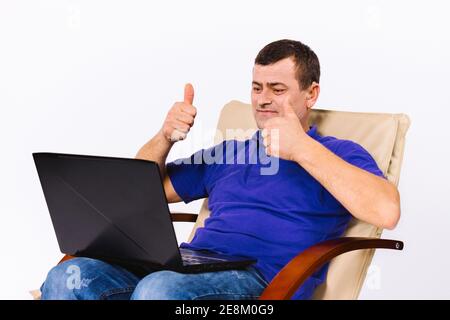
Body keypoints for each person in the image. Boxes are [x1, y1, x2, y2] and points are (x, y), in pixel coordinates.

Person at [40, 39, 400, 300]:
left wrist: (301, 148)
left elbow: (386, 211)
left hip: (261, 283)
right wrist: (165, 137)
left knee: (159, 290)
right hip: (190, 268)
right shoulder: (230, 151)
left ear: (311, 94)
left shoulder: (337, 154)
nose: (262, 99)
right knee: (68, 277)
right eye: (257, 87)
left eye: (277, 89)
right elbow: (137, 192)